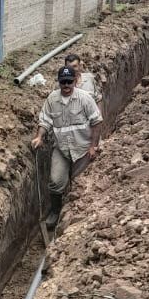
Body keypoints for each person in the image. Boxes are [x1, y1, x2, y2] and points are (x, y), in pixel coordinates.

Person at [31, 66, 103, 228]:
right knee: (56, 181)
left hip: (82, 149)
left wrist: (93, 146)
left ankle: (73, 215)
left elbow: (97, 122)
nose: (66, 85)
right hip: (62, 149)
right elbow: (45, 121)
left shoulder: (84, 98)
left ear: (75, 81)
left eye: (69, 82)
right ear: (59, 82)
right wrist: (39, 137)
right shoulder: (52, 99)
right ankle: (55, 211)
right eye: (63, 82)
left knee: (78, 184)